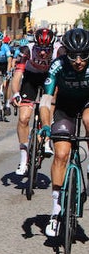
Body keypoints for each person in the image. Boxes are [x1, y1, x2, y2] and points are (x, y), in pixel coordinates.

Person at [38, 28, 89, 238]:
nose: (78, 61)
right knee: (60, 154)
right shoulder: (57, 65)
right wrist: (46, 125)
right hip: (64, 108)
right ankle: (56, 208)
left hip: (87, 104)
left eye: (84, 55)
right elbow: (45, 100)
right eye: (73, 56)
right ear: (65, 53)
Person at [10, 27, 55, 176]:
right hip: (31, 78)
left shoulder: (59, 51)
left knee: (50, 103)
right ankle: (23, 159)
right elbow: (17, 76)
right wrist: (16, 93)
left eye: (46, 49)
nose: (42, 53)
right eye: (40, 48)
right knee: (23, 118)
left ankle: (47, 137)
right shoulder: (26, 50)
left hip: (50, 77)